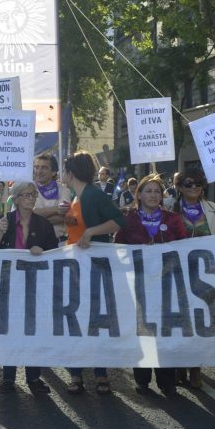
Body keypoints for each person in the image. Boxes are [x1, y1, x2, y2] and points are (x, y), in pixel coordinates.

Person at [114, 174, 188, 397]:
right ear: (139, 194)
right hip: (139, 285)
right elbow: (117, 248)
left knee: (165, 333)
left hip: (167, 285)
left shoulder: (173, 219)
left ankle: (167, 380)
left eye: (157, 191)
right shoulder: (128, 220)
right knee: (143, 331)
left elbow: (185, 247)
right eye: (149, 191)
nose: (154, 195)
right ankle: (143, 379)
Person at [61, 151, 125, 394]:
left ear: (71, 173)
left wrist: (90, 232)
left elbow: (118, 220)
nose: (62, 175)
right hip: (78, 268)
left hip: (95, 269)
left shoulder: (93, 195)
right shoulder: (78, 198)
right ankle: (76, 373)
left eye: (64, 171)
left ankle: (100, 372)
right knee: (77, 321)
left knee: (96, 320)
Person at [0, 181, 55, 394]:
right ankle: (8, 377)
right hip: (9, 284)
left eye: (33, 194)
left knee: (33, 330)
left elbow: (54, 255)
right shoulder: (4, 221)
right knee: (10, 330)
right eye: (26, 195)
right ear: (16, 199)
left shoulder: (43, 225)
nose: (31, 198)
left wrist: (41, 250)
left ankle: (34, 378)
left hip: (34, 285)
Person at [169, 167, 215, 389]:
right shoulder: (169, 208)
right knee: (180, 322)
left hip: (204, 276)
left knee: (199, 322)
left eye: (198, 183)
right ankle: (179, 366)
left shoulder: (214, 210)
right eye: (188, 183)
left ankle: (195, 368)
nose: (194, 187)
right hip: (176, 275)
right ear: (180, 187)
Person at [32, 152, 67, 246]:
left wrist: (35, 217)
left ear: (54, 172)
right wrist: (56, 209)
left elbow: (63, 217)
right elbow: (25, 215)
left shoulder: (63, 189)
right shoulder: (27, 188)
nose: (39, 171)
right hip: (33, 245)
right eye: (36, 167)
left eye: (44, 167)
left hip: (58, 244)